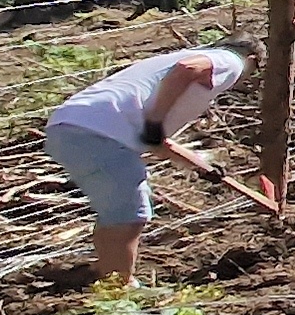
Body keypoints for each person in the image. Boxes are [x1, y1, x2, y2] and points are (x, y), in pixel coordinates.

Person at [41, 39, 258, 281]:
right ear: (253, 60)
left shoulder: (164, 74)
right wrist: (156, 120)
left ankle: (102, 274)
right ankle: (119, 291)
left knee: (116, 213)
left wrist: (201, 167)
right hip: (98, 133)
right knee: (131, 214)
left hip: (70, 129)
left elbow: (156, 141)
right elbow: (188, 69)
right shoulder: (230, 60)